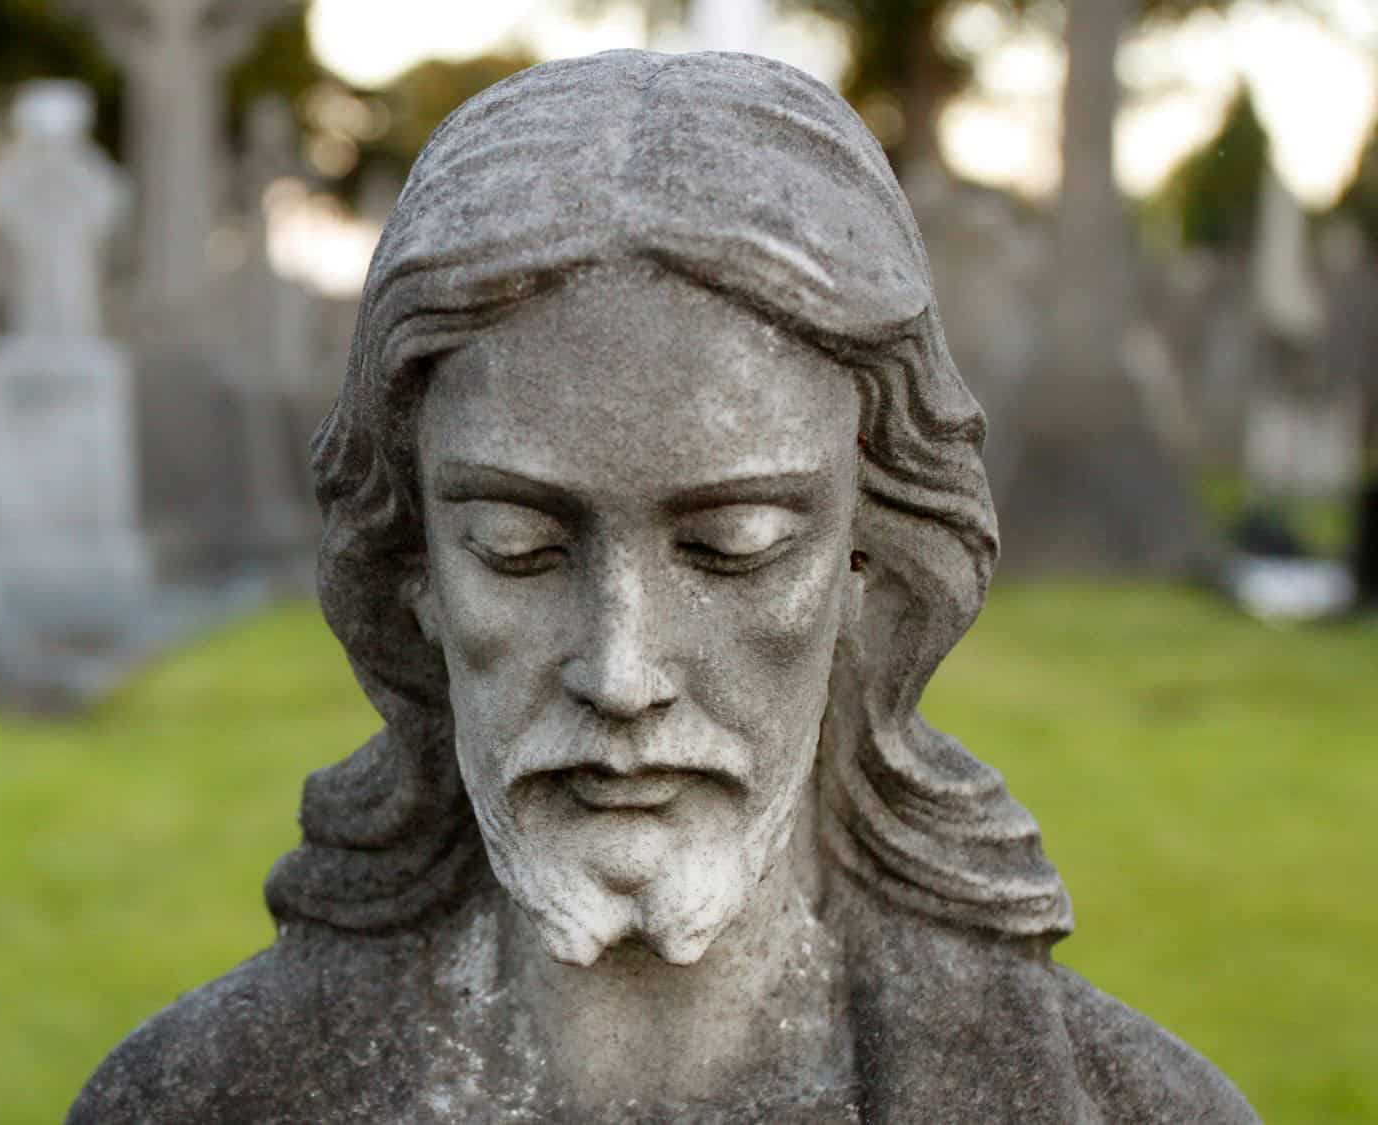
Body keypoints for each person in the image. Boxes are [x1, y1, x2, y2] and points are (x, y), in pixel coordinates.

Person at [70, 50, 1256, 1122]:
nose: (620, 672)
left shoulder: (1124, 1110)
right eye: (516, 548)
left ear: (869, 558)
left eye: (733, 547)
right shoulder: (194, 1101)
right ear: (411, 565)